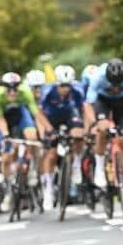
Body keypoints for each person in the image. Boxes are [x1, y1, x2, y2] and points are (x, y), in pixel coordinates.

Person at [84, 58, 123, 189]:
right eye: (112, 84)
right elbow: (88, 104)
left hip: (122, 102)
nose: (115, 87)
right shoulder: (98, 76)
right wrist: (94, 123)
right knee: (102, 129)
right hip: (103, 101)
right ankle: (100, 168)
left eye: (119, 84)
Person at [0, 72, 47, 212]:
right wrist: (5, 135)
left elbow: (35, 114)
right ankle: (9, 186)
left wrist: (43, 134)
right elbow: (0, 119)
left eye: (15, 89)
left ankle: (32, 167)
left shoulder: (26, 92)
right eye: (9, 89)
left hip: (21, 116)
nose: (12, 92)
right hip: (6, 120)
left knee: (32, 136)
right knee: (5, 158)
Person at [39, 65, 86, 211]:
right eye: (62, 86)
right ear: (57, 84)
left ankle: (76, 163)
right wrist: (49, 130)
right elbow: (39, 113)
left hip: (69, 116)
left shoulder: (77, 90)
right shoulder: (47, 91)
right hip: (51, 119)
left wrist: (86, 128)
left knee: (78, 135)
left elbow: (84, 109)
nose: (66, 89)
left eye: (68, 86)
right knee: (51, 155)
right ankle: (48, 188)